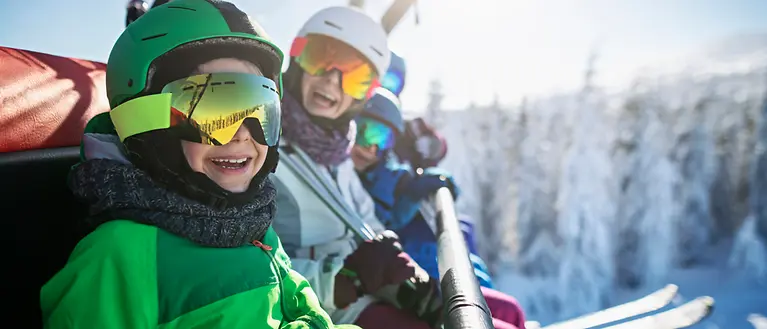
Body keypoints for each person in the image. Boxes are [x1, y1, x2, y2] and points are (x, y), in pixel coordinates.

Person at [40, 1, 358, 328]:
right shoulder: (120, 256)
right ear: (147, 125)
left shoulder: (252, 225)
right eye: (215, 111)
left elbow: (303, 313)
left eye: (261, 109)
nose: (243, 135)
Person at [270, 6, 442, 329]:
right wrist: (343, 278)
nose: (333, 81)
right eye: (321, 58)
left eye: (355, 76)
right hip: (325, 307)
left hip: (366, 294)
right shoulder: (266, 150)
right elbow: (254, 263)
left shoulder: (338, 152)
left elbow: (367, 217)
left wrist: (392, 258)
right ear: (298, 60)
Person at [351, 88, 528, 329]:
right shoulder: (344, 174)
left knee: (510, 309)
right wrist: (410, 198)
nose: (370, 147)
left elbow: (434, 149)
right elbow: (373, 223)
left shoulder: (386, 171)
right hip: (395, 280)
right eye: (362, 133)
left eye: (380, 138)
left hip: (414, 276)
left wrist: (425, 156)